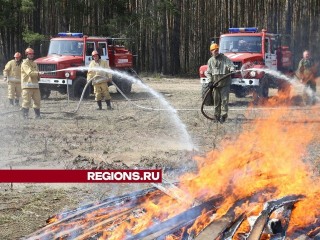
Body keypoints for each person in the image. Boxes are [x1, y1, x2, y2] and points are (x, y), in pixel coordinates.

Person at [207, 43, 235, 123]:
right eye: (214, 51)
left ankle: (223, 116)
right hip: (215, 85)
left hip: (225, 84)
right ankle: (216, 116)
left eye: (217, 50)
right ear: (211, 51)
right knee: (216, 101)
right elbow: (208, 72)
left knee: (224, 101)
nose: (216, 52)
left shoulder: (225, 58)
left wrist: (232, 70)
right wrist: (210, 82)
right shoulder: (210, 61)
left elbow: (231, 65)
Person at [21, 48, 43, 119]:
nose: (31, 55)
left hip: (35, 86)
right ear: (26, 54)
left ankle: (37, 115)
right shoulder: (24, 63)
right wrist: (38, 73)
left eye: (32, 54)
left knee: (37, 101)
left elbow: (37, 74)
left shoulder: (34, 63)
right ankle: (25, 116)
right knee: (26, 102)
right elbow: (30, 73)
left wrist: (40, 75)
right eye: (30, 54)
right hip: (27, 86)